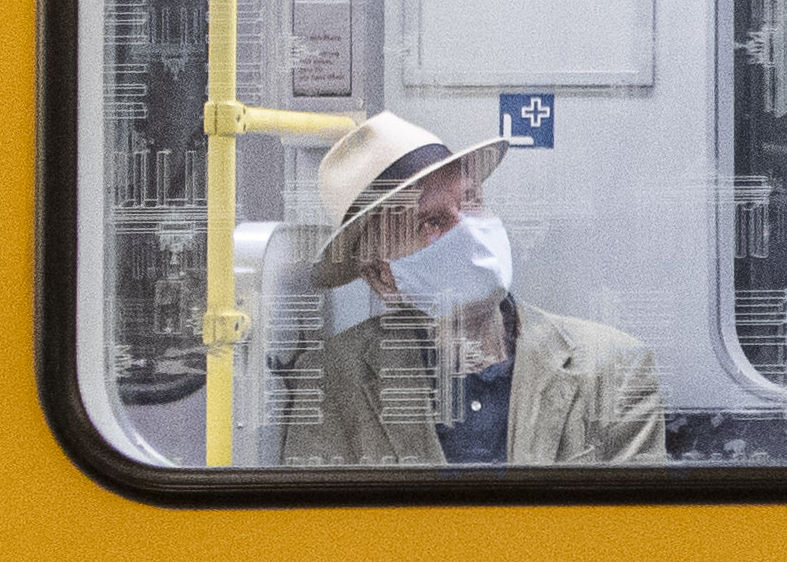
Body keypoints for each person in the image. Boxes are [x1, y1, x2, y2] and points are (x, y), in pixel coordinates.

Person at [281, 112, 664, 467]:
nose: (466, 229)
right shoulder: (331, 381)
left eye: (471, 201)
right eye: (429, 221)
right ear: (383, 277)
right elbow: (320, 535)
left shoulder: (616, 368)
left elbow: (630, 535)